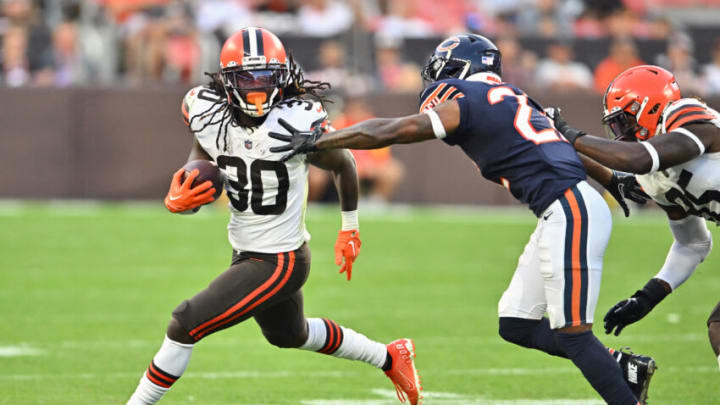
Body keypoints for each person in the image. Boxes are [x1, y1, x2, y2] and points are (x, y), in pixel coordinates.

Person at [269, 33, 656, 405]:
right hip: (565, 206)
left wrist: (322, 140)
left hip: (569, 208)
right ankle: (619, 366)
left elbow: (399, 129)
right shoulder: (513, 95)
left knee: (572, 333)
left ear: (461, 69)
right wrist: (610, 179)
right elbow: (558, 140)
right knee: (516, 323)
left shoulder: (469, 96)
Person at [125, 27, 421, 405]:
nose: (257, 88)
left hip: (280, 259)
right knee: (288, 334)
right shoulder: (205, 110)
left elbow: (343, 161)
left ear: (283, 76)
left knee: (184, 323)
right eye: (246, 78)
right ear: (227, 80)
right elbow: (203, 153)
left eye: (267, 76)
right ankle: (391, 356)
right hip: (246, 249)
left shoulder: (296, 119)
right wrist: (183, 190)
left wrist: (349, 227)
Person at [546, 64, 718, 363]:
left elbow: (639, 159)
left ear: (649, 108)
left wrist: (568, 134)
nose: (620, 132)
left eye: (623, 121)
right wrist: (647, 297)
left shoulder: (683, 113)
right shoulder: (654, 178)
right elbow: (693, 244)